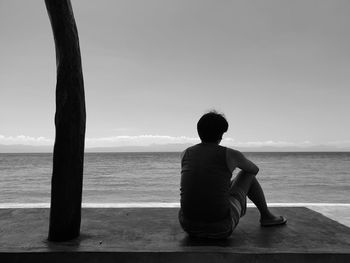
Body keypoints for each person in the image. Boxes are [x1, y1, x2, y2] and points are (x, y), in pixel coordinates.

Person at [179, 111, 287, 239]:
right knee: (248, 174)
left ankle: (266, 216)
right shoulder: (230, 154)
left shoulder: (185, 153)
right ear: (221, 134)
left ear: (199, 132)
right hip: (221, 229)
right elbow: (254, 170)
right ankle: (266, 216)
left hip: (188, 227)